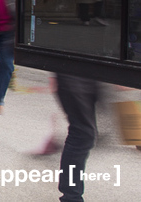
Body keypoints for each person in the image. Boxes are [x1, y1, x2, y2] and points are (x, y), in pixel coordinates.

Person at [53, 73, 104, 202]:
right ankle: (71, 197)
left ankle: (71, 196)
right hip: (73, 72)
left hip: (90, 71)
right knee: (82, 134)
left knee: (85, 134)